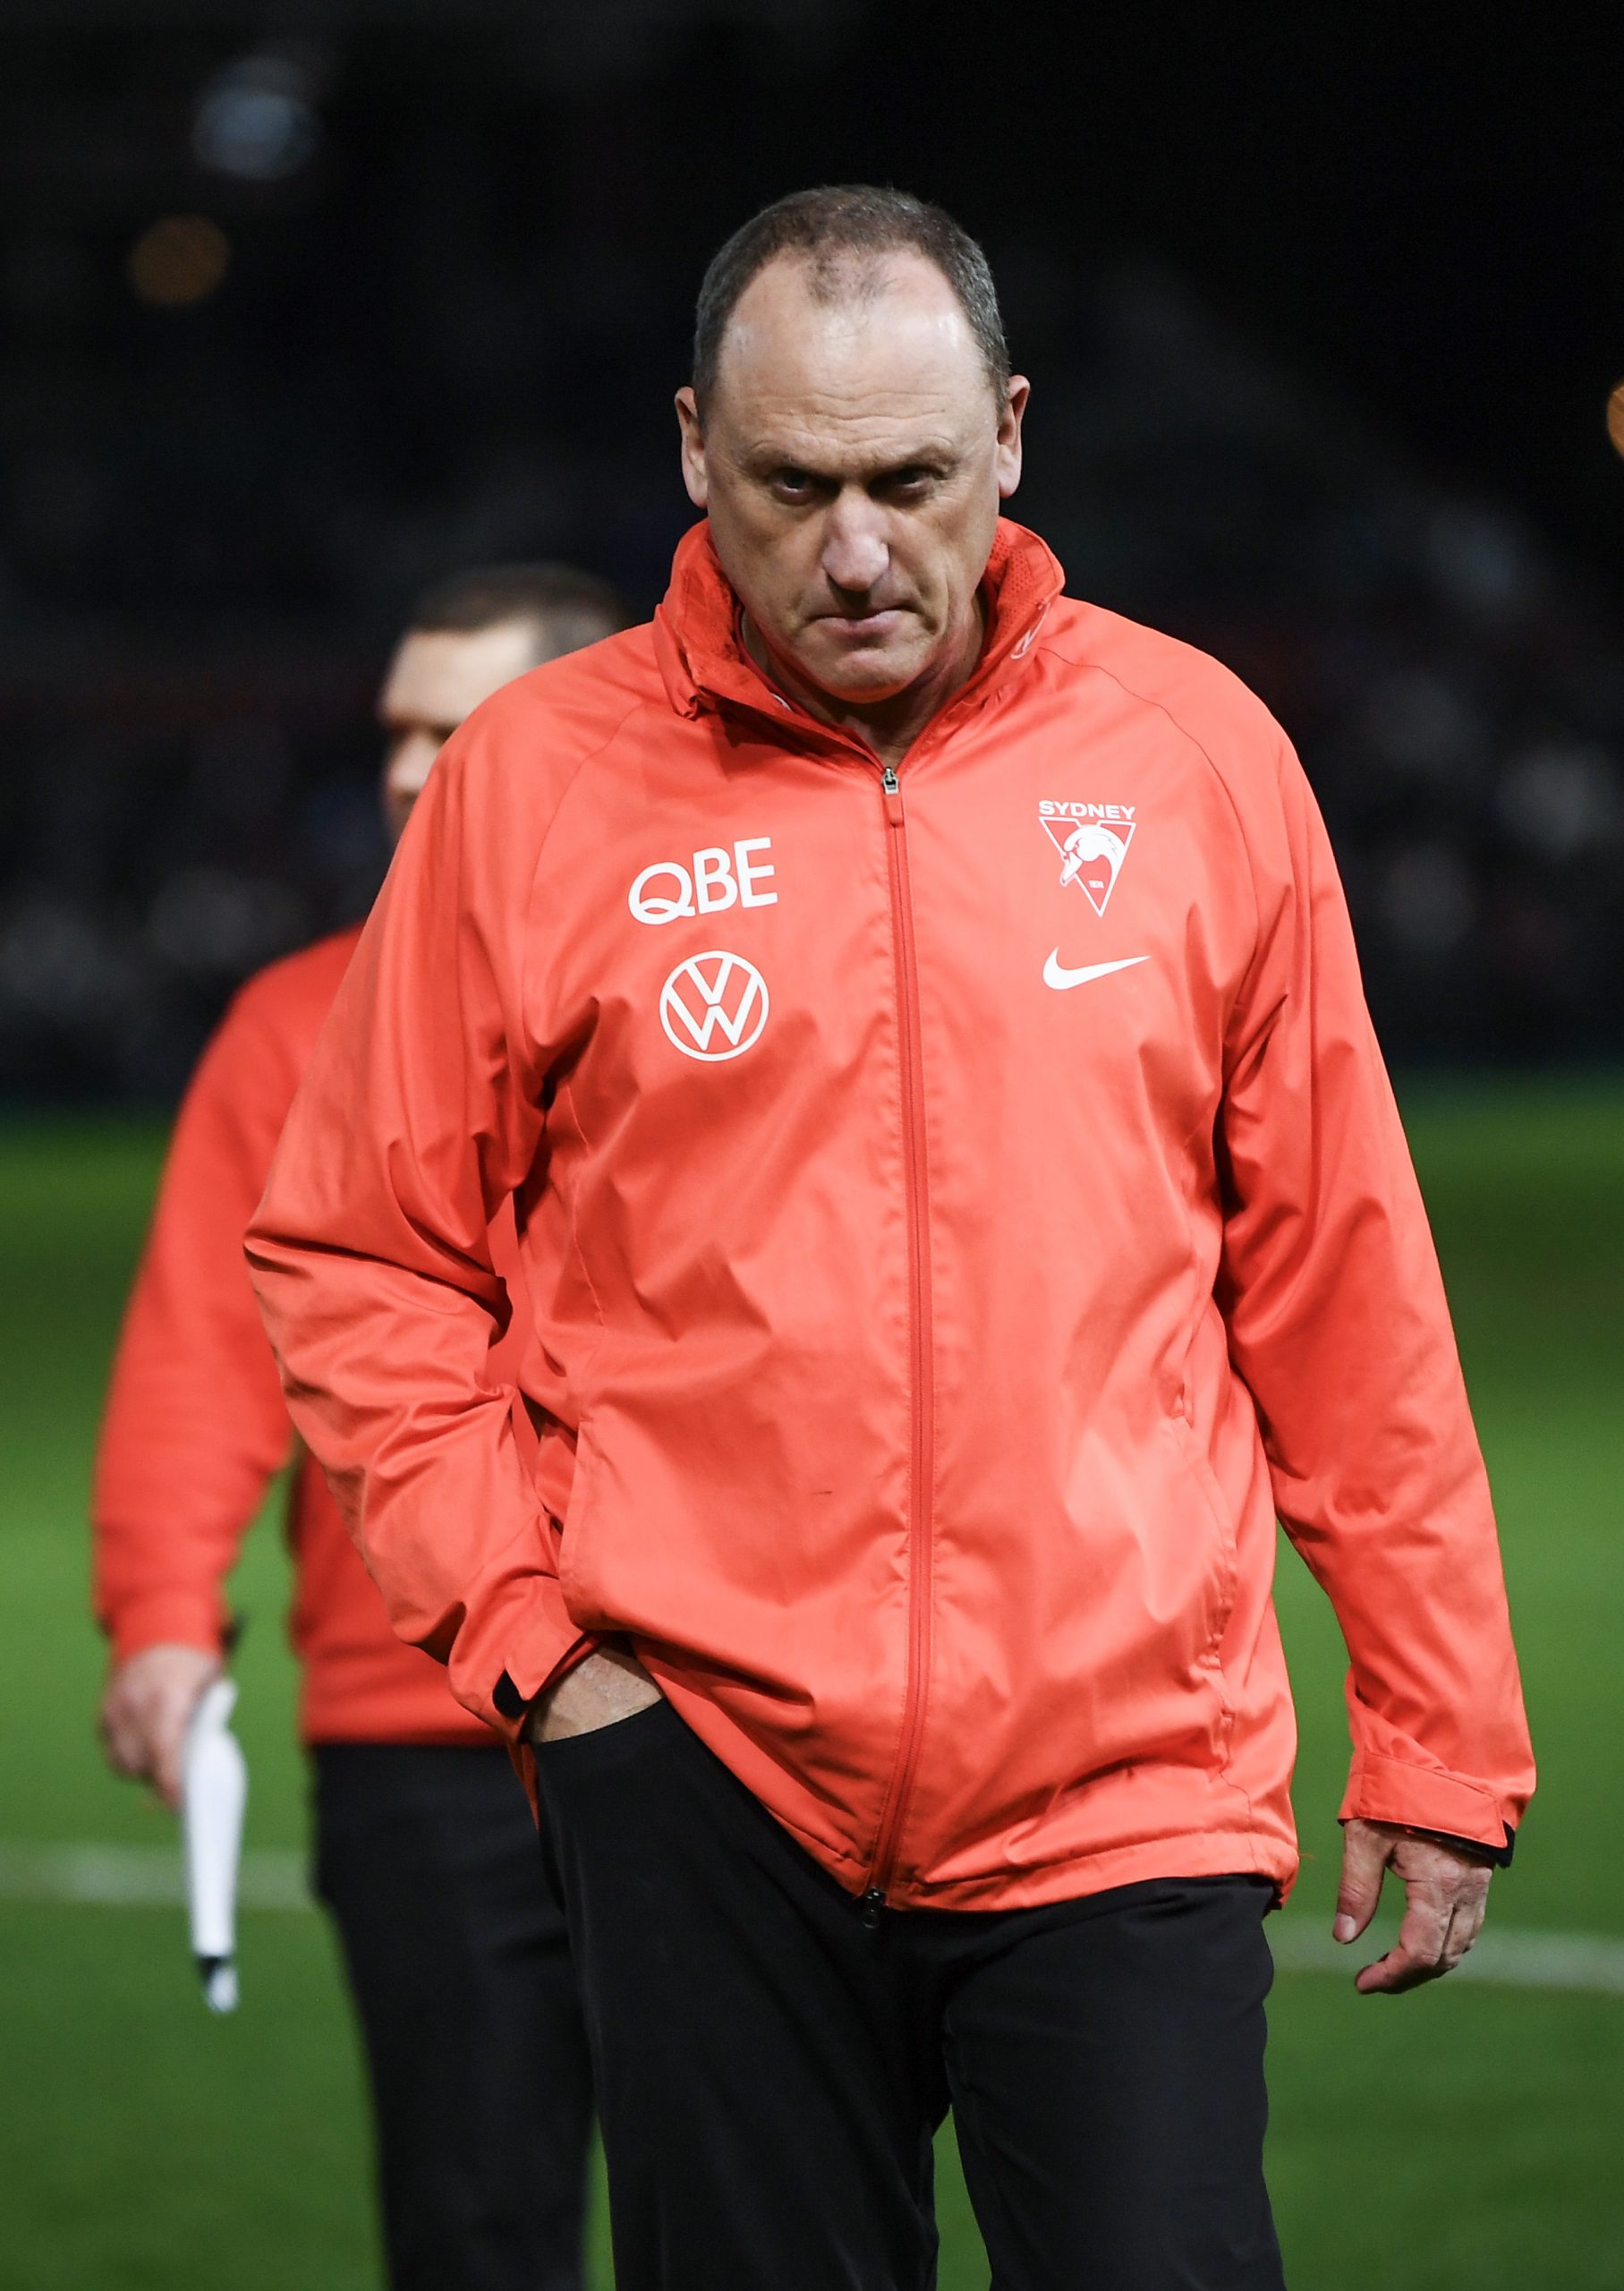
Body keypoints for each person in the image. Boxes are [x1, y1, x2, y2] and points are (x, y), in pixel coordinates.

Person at [246, 189, 1535, 2291]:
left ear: (1010, 439)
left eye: (910, 480)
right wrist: (543, 1654)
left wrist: (1439, 1720)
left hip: (1127, 1777)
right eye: (793, 484)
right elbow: (358, 1252)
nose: (856, 550)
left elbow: (1339, 1276)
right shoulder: (527, 787)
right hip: (700, 1772)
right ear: (690, 450)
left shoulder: (1198, 754)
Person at [94, 561, 627, 2291]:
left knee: (776, 2227)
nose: (406, 771)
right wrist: (166, 1624)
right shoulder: (287, 1022)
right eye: (396, 730)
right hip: (423, 1735)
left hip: (724, 1712)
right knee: (478, 2236)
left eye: (451, 730)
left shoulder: (717, 980)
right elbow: (203, 1349)